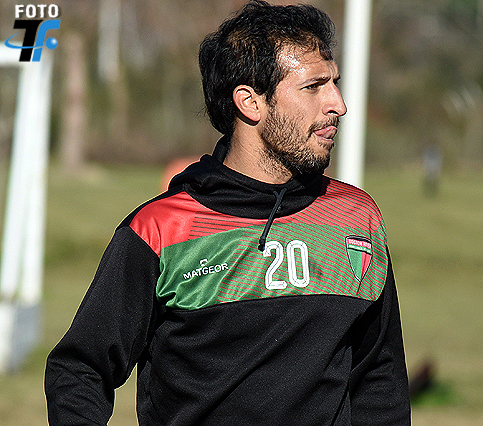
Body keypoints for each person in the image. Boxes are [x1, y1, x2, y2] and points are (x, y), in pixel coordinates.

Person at [45, 1, 411, 425]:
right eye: (314, 87)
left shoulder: (357, 218)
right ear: (250, 103)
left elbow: (380, 379)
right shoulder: (161, 229)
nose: (339, 104)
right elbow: (80, 370)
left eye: (335, 83)